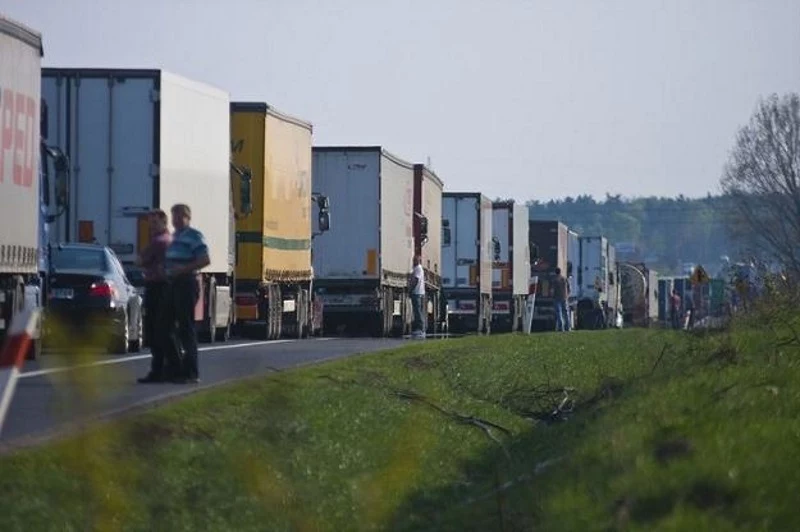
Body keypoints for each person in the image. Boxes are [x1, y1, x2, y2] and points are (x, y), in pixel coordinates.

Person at [164, 204, 210, 384]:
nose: (175, 220)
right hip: (172, 283)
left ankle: (191, 372)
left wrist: (184, 269)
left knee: (186, 327)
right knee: (166, 326)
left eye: (178, 217)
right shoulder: (174, 237)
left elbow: (205, 259)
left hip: (186, 283)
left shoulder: (194, 236)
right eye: (173, 217)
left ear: (186, 217)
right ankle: (175, 368)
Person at [136, 210, 175, 383]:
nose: (151, 227)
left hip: (158, 287)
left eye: (154, 223)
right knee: (163, 330)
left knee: (156, 330)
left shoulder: (159, 242)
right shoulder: (169, 240)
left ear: (163, 223)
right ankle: (167, 368)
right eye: (150, 223)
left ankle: (158, 370)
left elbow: (140, 260)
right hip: (164, 287)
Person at [409, 255, 425, 339]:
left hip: (417, 292)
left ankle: (421, 329)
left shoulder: (418, 268)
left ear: (418, 261)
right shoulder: (417, 268)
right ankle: (419, 329)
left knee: (418, 311)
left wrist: (411, 289)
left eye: (414, 260)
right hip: (418, 292)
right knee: (417, 311)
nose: (413, 261)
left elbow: (416, 280)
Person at [552, 267, 570, 332]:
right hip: (564, 297)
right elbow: (569, 288)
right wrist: (567, 295)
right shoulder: (564, 279)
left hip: (557, 298)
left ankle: (561, 327)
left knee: (559, 312)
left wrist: (552, 295)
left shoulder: (555, 280)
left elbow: (552, 290)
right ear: (560, 272)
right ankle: (568, 327)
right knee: (566, 313)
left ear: (555, 272)